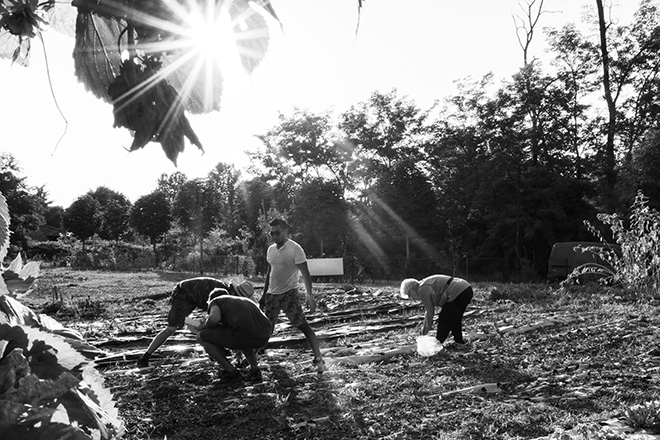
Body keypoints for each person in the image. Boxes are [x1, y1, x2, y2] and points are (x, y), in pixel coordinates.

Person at [137, 277, 255, 367]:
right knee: (172, 328)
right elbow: (216, 319)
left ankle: (216, 351)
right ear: (235, 293)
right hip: (184, 294)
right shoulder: (222, 294)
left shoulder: (225, 292)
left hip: (198, 297)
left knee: (204, 324)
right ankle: (145, 357)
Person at [260, 219, 325, 371]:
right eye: (272, 233)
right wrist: (264, 294)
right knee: (265, 327)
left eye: (277, 233)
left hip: (289, 294)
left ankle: (318, 358)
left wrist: (310, 296)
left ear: (285, 231)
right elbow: (270, 272)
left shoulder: (295, 249)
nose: (274, 236)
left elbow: (306, 273)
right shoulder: (271, 250)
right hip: (272, 295)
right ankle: (259, 353)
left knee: (302, 325)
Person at [195, 287, 272, 383]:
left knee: (201, 337)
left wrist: (203, 327)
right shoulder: (240, 301)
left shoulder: (215, 301)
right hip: (265, 335)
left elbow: (214, 318)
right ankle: (255, 370)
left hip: (246, 335)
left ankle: (232, 372)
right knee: (241, 335)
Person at [399, 274, 473, 349]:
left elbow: (430, 311)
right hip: (466, 289)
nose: (411, 298)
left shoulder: (421, 289)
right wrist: (425, 329)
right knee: (455, 318)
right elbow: (428, 311)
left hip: (458, 291)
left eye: (409, 295)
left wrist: (425, 332)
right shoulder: (424, 284)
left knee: (444, 318)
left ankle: (437, 345)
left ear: (412, 289)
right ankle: (459, 343)